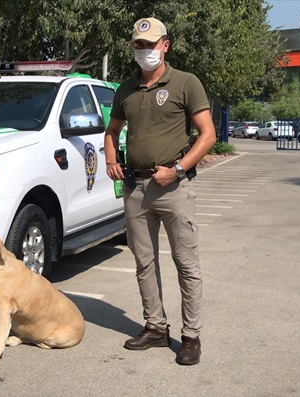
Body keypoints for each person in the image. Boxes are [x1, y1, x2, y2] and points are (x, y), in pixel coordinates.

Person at [104, 18, 216, 365]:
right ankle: (155, 327)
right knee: (143, 262)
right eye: (139, 44)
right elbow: (112, 129)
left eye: (151, 44)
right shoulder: (125, 89)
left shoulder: (185, 83)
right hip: (136, 187)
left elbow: (207, 135)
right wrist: (111, 157)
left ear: (165, 45)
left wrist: (179, 169)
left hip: (174, 186)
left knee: (186, 263)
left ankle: (191, 336)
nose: (145, 50)